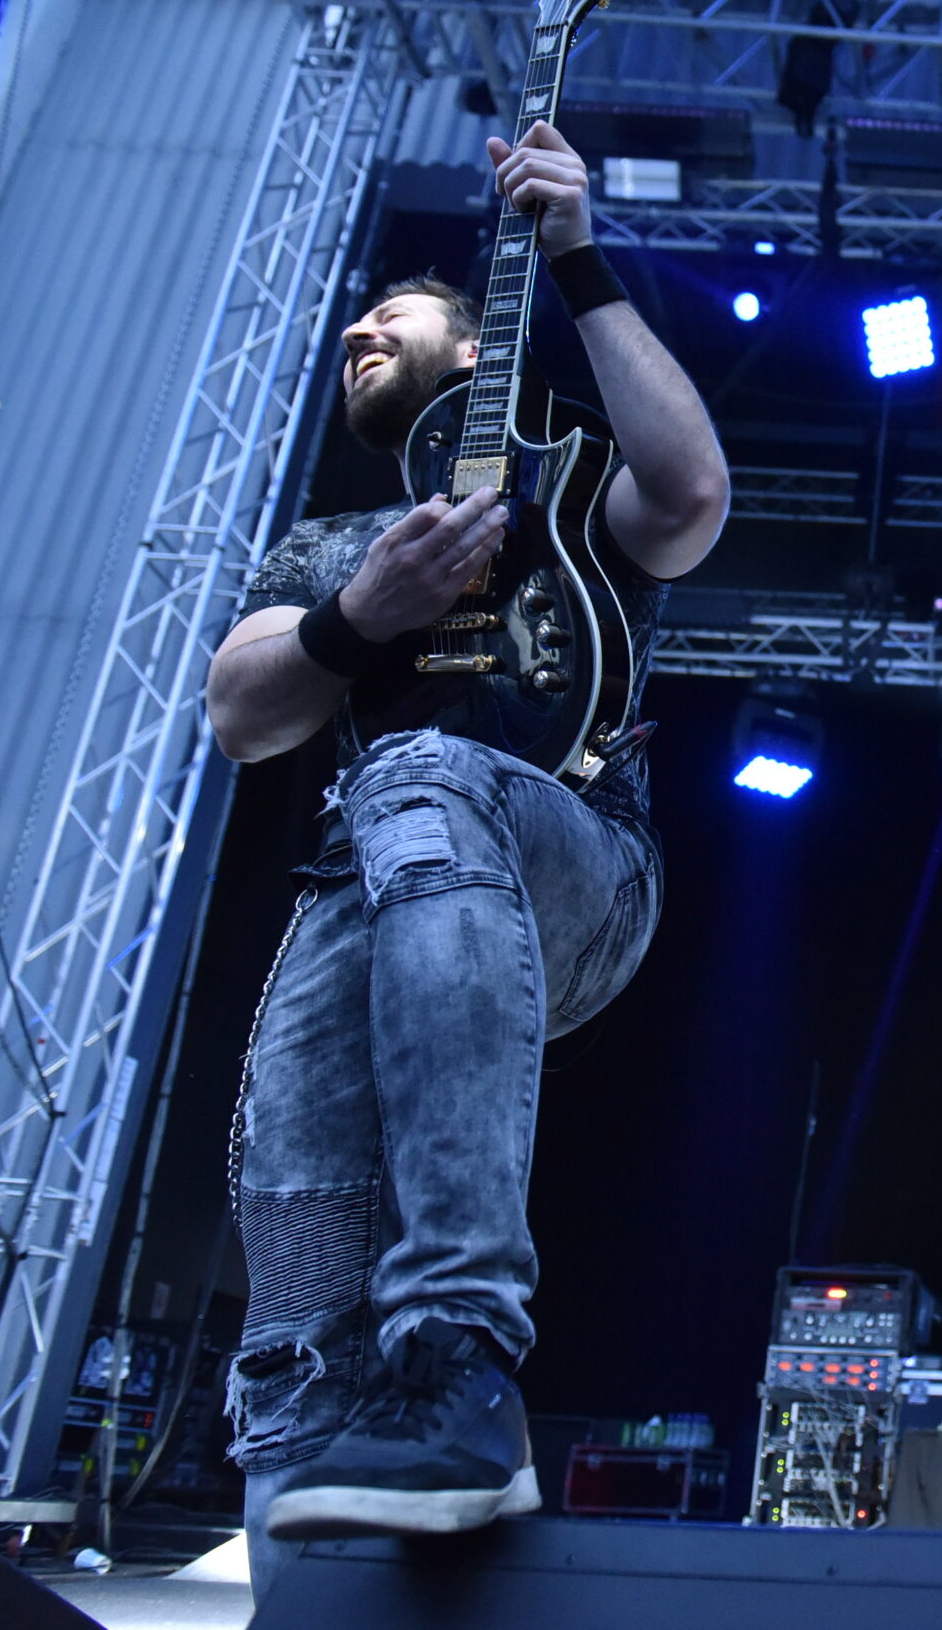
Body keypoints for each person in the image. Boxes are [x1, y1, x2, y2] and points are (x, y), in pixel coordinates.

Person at [204, 121, 728, 1598]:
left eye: (395, 314)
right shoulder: (328, 545)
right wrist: (356, 617)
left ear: (480, 346)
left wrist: (577, 249)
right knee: (285, 1128)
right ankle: (323, 1512)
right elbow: (241, 714)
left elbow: (691, 494)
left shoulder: (566, 494)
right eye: (355, 324)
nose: (358, 330)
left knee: (422, 767)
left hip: (579, 865)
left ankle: (459, 1346)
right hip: (367, 902)